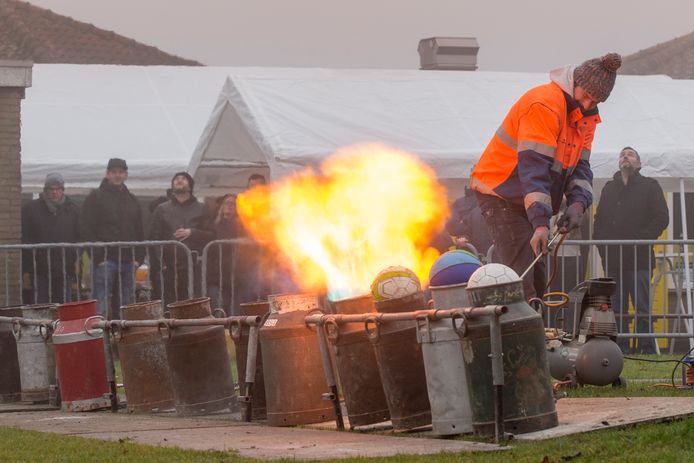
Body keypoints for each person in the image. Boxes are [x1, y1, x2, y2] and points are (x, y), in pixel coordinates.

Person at [470, 53, 622, 299]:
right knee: (521, 280)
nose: (586, 104)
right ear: (576, 83)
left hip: (526, 199)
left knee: (537, 280)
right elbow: (533, 170)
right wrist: (541, 223)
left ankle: (536, 328)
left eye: (595, 101)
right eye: (585, 96)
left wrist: (577, 203)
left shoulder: (587, 117)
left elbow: (580, 168)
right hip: (501, 194)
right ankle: (520, 332)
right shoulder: (544, 104)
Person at [594, 147, 668, 354]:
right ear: (619, 162)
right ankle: (620, 348)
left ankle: (645, 347)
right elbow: (599, 220)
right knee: (617, 308)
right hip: (613, 259)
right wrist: (601, 246)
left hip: (639, 258)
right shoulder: (609, 188)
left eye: (631, 154)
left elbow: (662, 217)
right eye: (622, 155)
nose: (625, 156)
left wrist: (641, 239)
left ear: (639, 163)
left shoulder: (650, 186)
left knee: (642, 307)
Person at [80, 158, 144, 319]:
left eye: (121, 172)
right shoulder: (95, 197)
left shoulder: (132, 200)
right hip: (105, 260)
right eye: (114, 172)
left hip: (129, 261)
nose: (117, 175)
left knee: (124, 307)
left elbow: (139, 230)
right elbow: (85, 227)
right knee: (99, 306)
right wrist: (98, 256)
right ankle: (99, 340)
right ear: (107, 174)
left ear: (126, 175)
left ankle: (120, 340)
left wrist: (139, 258)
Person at [148, 172, 213, 305]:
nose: (179, 181)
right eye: (176, 179)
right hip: (169, 266)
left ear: (190, 185)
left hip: (194, 266)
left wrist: (193, 232)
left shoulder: (202, 208)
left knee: (193, 303)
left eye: (183, 179)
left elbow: (212, 234)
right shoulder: (162, 209)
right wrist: (160, 263)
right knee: (170, 305)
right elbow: (153, 238)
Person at [21, 173, 80, 303]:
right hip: (39, 267)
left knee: (63, 305)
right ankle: (39, 325)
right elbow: (26, 237)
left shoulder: (74, 210)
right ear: (45, 190)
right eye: (51, 189)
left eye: (57, 189)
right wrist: (28, 267)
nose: (54, 192)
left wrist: (76, 260)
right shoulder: (31, 209)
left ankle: (61, 325)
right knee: (40, 305)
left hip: (65, 267)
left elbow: (79, 236)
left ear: (62, 190)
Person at [206, 194, 240, 314]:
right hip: (217, 275)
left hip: (237, 275)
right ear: (221, 206)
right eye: (227, 203)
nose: (230, 206)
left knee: (235, 312)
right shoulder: (212, 226)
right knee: (218, 309)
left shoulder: (241, 226)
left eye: (233, 204)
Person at [445, 187, 493, 259]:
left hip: (494, 250)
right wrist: (464, 234)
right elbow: (452, 227)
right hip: (469, 251)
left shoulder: (494, 200)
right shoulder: (459, 203)